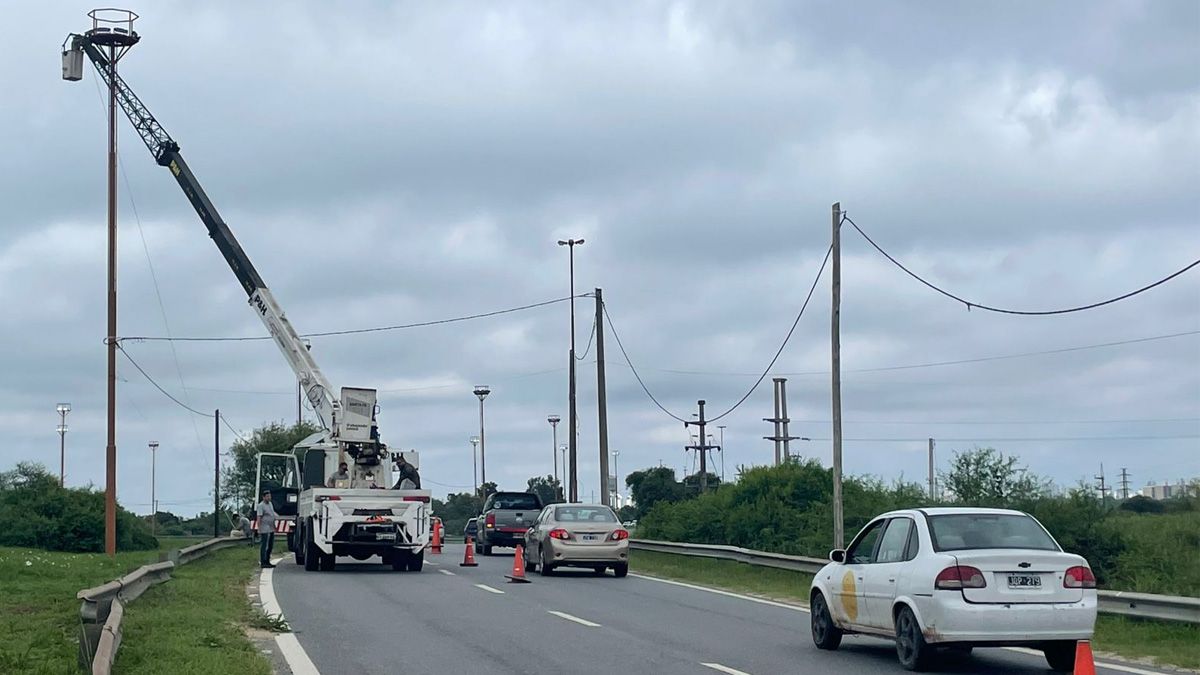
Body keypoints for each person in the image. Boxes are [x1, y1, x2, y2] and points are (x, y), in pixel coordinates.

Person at [255, 490, 278, 568]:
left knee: (270, 545)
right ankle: (263, 561)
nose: (269, 498)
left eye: (270, 496)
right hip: (264, 528)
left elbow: (272, 513)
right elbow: (259, 517)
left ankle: (268, 561)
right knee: (264, 545)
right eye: (267, 496)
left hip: (271, 528)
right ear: (263, 497)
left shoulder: (270, 504)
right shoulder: (261, 506)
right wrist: (258, 528)